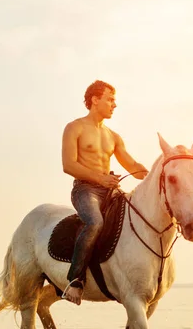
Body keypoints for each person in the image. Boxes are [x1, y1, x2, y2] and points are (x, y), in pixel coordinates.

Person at [61, 80, 148, 305]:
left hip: (110, 190)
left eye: (114, 100)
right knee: (95, 223)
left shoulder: (113, 136)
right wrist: (100, 178)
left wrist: (155, 172)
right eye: (110, 99)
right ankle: (75, 280)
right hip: (85, 190)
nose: (114, 105)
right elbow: (68, 165)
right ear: (94, 100)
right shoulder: (75, 127)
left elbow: (131, 165)